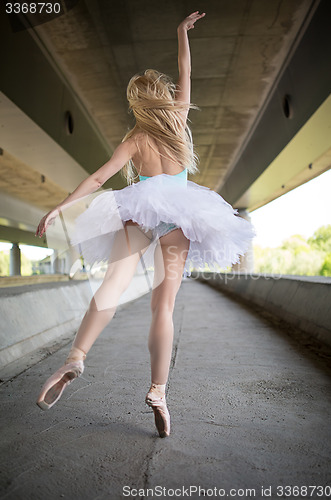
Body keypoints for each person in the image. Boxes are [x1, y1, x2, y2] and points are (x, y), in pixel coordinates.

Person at [35, 11, 256, 438]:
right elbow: (185, 69)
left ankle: (77, 356)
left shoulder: (134, 138)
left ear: (136, 103)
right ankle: (158, 390)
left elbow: (99, 178)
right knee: (164, 304)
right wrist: (180, 33)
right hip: (180, 215)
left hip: (140, 210)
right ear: (164, 95)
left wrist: (59, 208)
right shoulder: (178, 120)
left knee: (112, 286)